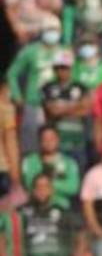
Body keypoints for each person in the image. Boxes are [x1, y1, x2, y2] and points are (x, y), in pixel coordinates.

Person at [7, 16, 63, 155]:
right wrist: (17, 96)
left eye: (55, 30)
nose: (52, 33)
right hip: (33, 104)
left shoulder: (63, 51)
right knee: (31, 145)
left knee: (56, 146)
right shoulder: (30, 51)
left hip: (58, 106)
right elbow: (12, 73)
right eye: (49, 30)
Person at [16, 172, 72, 256]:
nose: (42, 190)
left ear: (51, 190)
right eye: (38, 186)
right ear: (32, 190)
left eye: (45, 186)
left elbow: (69, 238)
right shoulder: (22, 212)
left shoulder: (62, 211)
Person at [21, 125, 81, 210]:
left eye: (52, 139)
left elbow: (73, 187)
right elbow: (29, 184)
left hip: (61, 206)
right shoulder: (29, 161)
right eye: (45, 139)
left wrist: (50, 184)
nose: (48, 142)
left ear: (58, 140)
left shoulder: (69, 163)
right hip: (34, 206)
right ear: (39, 141)